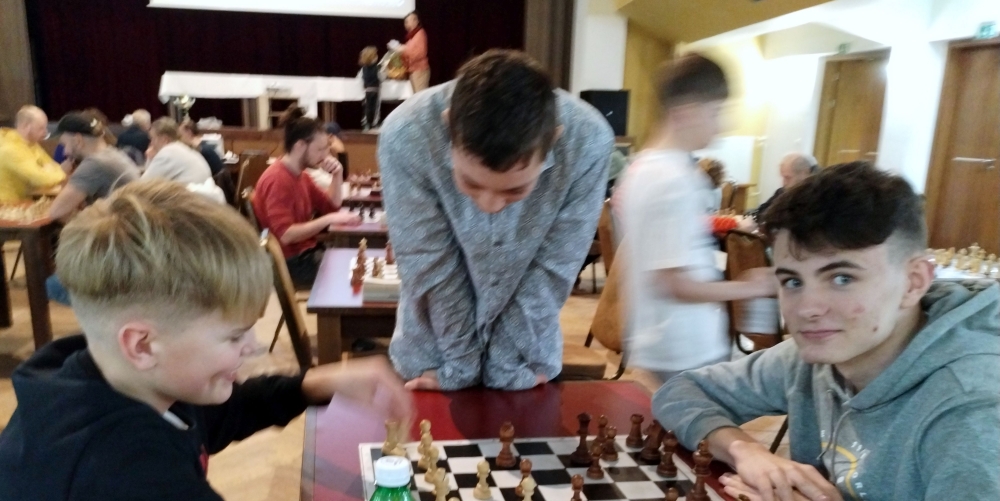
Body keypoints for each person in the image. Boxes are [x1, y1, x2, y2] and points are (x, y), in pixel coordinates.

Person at [0, 180, 412, 500]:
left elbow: (213, 415)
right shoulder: (125, 470)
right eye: (233, 336)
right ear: (142, 345)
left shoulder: (118, 375)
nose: (253, 346)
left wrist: (311, 384)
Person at [653, 162, 1000, 501]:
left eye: (842, 278)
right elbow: (680, 392)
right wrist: (745, 450)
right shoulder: (814, 357)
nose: (807, 309)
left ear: (913, 282)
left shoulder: (973, 411)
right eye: (792, 281)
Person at [378, 50, 614, 391]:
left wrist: (506, 364)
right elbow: (428, 263)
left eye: (515, 190)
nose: (490, 205)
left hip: (524, 361)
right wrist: (460, 367)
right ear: (449, 125)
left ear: (553, 140)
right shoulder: (406, 133)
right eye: (470, 183)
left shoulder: (588, 141)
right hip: (433, 359)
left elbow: (554, 266)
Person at [618, 54, 776, 385]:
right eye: (715, 112)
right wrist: (748, 287)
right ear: (685, 112)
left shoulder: (642, 167)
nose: (721, 125)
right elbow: (672, 283)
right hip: (684, 344)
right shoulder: (673, 179)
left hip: (660, 336)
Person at [253, 106, 359, 288]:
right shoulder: (277, 179)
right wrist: (329, 219)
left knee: (354, 262)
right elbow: (286, 235)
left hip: (306, 253)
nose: (325, 155)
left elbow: (331, 206)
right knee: (354, 274)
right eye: (320, 149)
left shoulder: (302, 176)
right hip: (292, 264)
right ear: (300, 146)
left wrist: (337, 174)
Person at [47, 111, 140, 223]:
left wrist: (62, 174)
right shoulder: (112, 154)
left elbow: (55, 212)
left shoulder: (94, 163)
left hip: (121, 229)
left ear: (78, 140)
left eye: (64, 145)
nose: (65, 152)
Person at [0, 105, 66, 203]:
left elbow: (53, 165)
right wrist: (60, 174)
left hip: (25, 201)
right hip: (8, 206)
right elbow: (41, 179)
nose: (45, 133)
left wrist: (51, 171)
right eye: (41, 128)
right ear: (26, 127)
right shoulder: (11, 149)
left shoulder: (32, 144)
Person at [143, 117, 213, 185]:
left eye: (152, 138)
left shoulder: (168, 152)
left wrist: (150, 158)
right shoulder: (183, 148)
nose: (151, 143)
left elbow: (144, 184)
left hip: (191, 192)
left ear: (164, 139)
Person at [755, 152, 817, 216]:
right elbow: (762, 210)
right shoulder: (782, 192)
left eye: (787, 178)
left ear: (804, 173)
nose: (783, 183)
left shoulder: (816, 198)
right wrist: (753, 217)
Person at [390, 11, 430, 92]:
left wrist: (403, 49)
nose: (407, 24)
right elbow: (408, 52)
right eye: (406, 22)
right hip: (413, 71)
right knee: (416, 96)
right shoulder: (412, 36)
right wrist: (400, 50)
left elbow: (420, 53)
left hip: (420, 70)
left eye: (409, 21)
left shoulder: (420, 34)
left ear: (417, 21)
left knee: (420, 97)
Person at [359, 46, 385, 131]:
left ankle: (366, 124)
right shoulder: (377, 68)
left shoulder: (363, 69)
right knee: (375, 108)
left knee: (367, 108)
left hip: (367, 91)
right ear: (373, 57)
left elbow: (359, 78)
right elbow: (382, 78)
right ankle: (375, 124)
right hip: (375, 91)